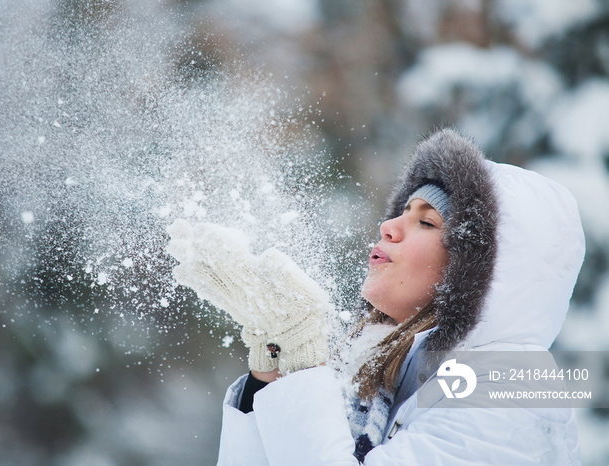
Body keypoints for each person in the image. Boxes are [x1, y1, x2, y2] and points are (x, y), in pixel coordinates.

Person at [167, 128, 585, 465]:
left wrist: (302, 362)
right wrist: (274, 367)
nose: (389, 225)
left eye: (426, 221)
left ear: (477, 269)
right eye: (402, 210)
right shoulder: (391, 372)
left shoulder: (511, 391)